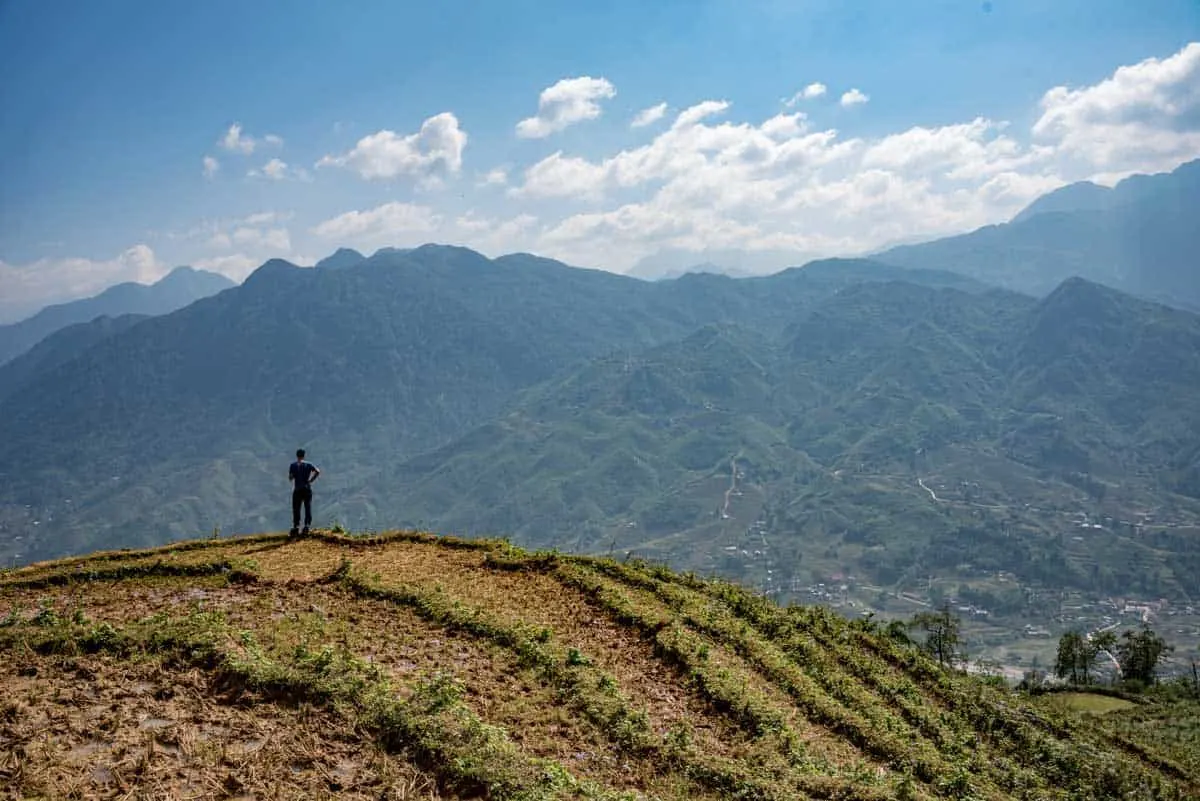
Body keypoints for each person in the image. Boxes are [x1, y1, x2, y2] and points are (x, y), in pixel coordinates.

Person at [288, 448, 321, 536]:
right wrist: (311, 480)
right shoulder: (308, 464)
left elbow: (290, 478)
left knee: (296, 508)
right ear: (304, 455)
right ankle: (307, 526)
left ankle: (296, 526)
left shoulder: (293, 465)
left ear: (296, 455)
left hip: (297, 489)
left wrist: (293, 476)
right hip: (306, 488)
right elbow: (317, 471)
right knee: (307, 507)